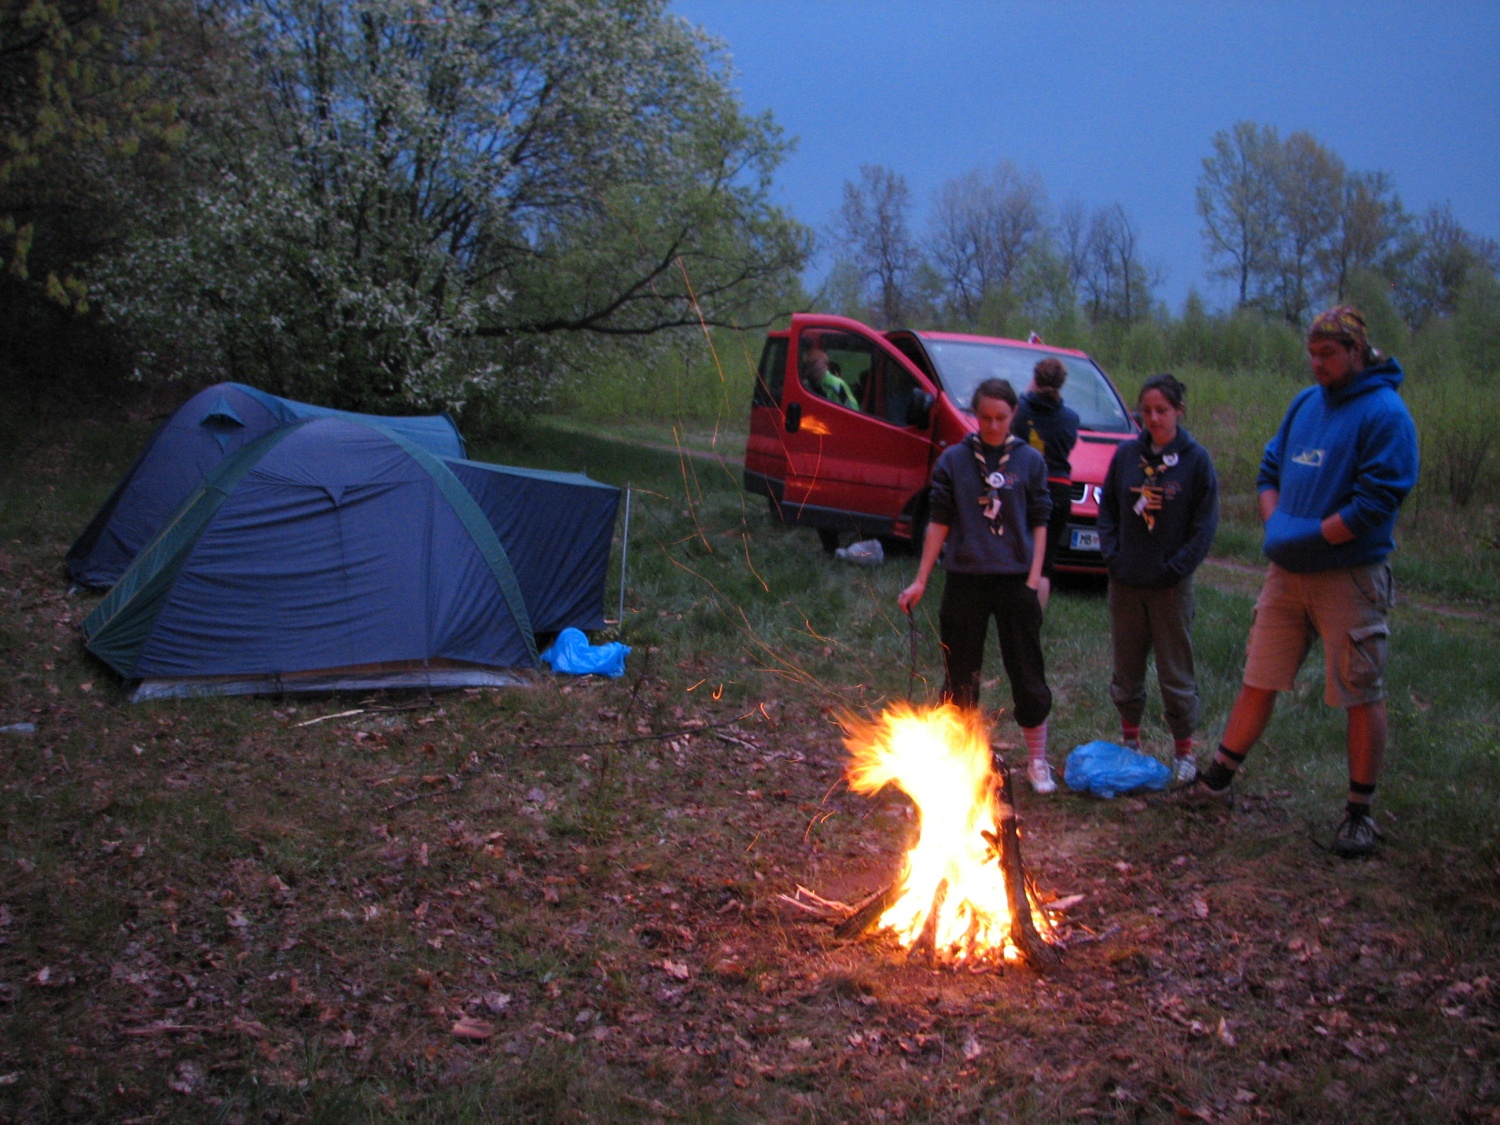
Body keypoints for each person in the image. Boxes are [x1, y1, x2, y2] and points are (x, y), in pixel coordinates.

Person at [1180, 306, 1419, 859]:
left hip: (1348, 577)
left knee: (1359, 691)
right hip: (1287, 575)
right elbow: (1269, 471)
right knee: (1259, 676)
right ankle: (1217, 781)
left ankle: (1359, 813)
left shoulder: (1385, 414)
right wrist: (1277, 526)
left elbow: (1378, 500)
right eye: (1312, 354)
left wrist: (1312, 536)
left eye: (1328, 354)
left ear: (1357, 352)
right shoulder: (1305, 405)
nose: (1317, 364)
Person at [897, 379, 1057, 793]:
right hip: (966, 578)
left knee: (1026, 669)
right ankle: (962, 762)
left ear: (1014, 415)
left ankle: (1037, 762)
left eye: (1001, 418)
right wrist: (921, 579)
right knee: (960, 674)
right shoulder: (955, 460)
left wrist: (1035, 576)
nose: (992, 425)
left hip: (1015, 579)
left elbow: (1041, 521)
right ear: (975, 414)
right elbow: (939, 521)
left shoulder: (1029, 461)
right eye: (984, 417)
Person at [1098, 374, 1219, 782]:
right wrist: (1113, 557)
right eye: (1147, 411)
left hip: (1170, 585)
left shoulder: (1196, 461)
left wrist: (1176, 566)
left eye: (1162, 411)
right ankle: (1130, 742)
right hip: (1127, 580)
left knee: (1174, 668)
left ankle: (1184, 751)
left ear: (1179, 411)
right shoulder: (1126, 456)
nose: (1153, 418)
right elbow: (1109, 510)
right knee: (1127, 664)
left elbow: (1203, 526)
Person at [1010, 356, 1080, 604]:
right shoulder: (1071, 418)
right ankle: (1035, 617)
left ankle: (1013, 611)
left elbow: (1012, 428)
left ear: (1035, 379)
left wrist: (1029, 391)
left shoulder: (1021, 410)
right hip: (1059, 490)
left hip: (1025, 487)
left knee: (1018, 553)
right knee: (1045, 561)